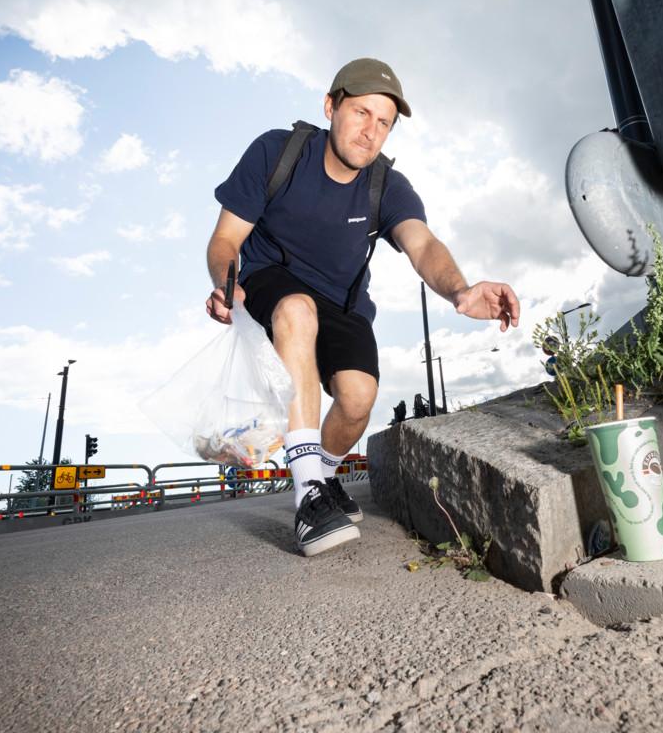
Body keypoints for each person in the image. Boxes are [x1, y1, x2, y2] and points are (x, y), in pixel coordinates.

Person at [206, 57, 520, 556]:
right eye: (361, 113)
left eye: (384, 123)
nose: (371, 132)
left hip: (344, 301)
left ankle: (325, 479)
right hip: (271, 282)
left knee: (356, 400)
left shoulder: (386, 186)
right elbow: (225, 239)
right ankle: (309, 496)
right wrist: (228, 282)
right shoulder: (276, 152)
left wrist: (459, 290)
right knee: (296, 312)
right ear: (331, 106)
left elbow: (422, 245)